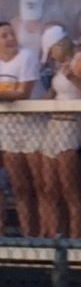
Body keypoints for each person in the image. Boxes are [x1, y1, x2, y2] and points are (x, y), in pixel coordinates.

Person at [41, 28, 81, 238]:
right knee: (50, 187)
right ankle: (55, 237)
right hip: (54, 126)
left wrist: (73, 77)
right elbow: (53, 94)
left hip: (72, 126)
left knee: (70, 189)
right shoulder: (59, 66)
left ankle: (75, 240)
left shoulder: (80, 59)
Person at [0, 21, 44, 237]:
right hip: (8, 133)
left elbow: (24, 93)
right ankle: (28, 237)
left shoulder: (26, 57)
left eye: (11, 34)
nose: (9, 39)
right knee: (20, 188)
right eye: (4, 36)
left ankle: (46, 237)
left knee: (39, 185)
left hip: (33, 129)